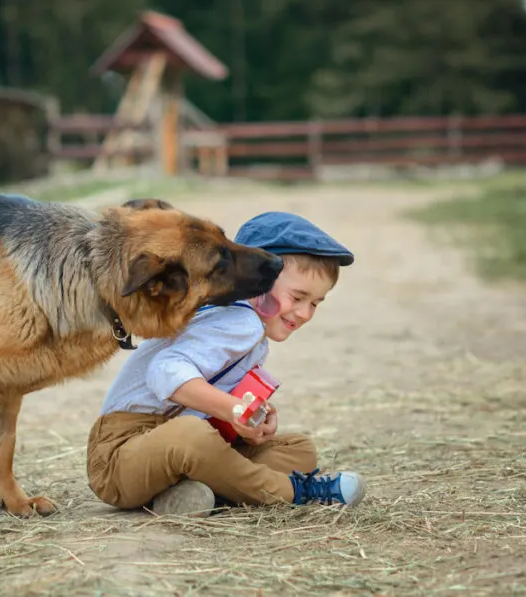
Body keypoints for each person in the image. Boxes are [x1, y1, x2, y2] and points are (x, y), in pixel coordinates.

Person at [85, 211, 366, 516]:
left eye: (315, 303)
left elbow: (211, 397)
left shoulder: (250, 328)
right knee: (191, 435)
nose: (305, 314)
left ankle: (191, 495)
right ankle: (295, 492)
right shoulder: (239, 321)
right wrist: (231, 410)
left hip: (170, 451)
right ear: (259, 282)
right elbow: (165, 370)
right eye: (297, 297)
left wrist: (250, 416)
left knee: (297, 450)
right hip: (120, 455)